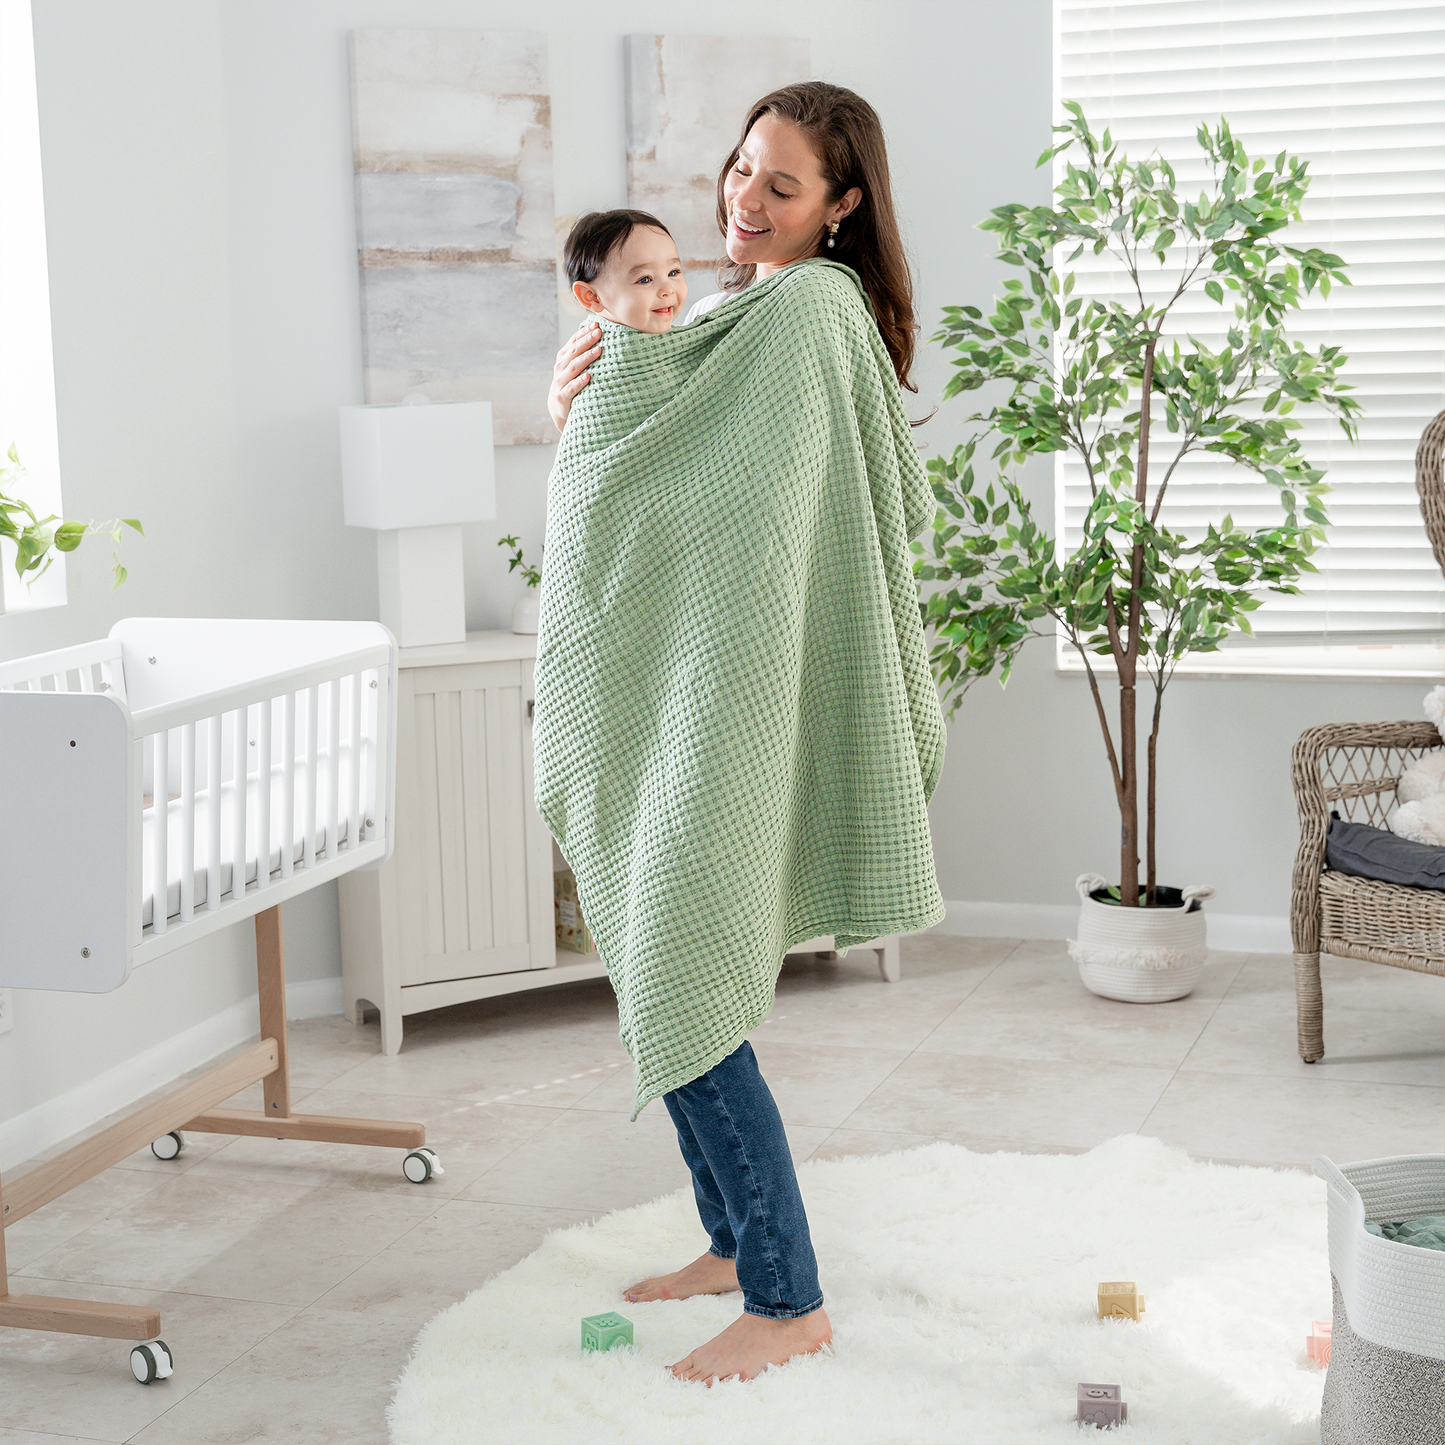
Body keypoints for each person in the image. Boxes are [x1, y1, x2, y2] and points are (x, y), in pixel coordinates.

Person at [536, 82, 943, 1387]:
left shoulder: (809, 311)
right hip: (703, 698)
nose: (743, 202)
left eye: (781, 185)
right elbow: (645, 459)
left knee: (689, 974)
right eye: (738, 172)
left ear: (842, 206)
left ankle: (788, 1297)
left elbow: (736, 506)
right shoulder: (741, 316)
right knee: (675, 966)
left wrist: (612, 411)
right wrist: (583, 402)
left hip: (734, 703)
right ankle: (729, 1242)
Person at [562, 209, 688, 334]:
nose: (668, 289)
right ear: (592, 296)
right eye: (645, 279)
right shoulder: (598, 352)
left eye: (673, 272)